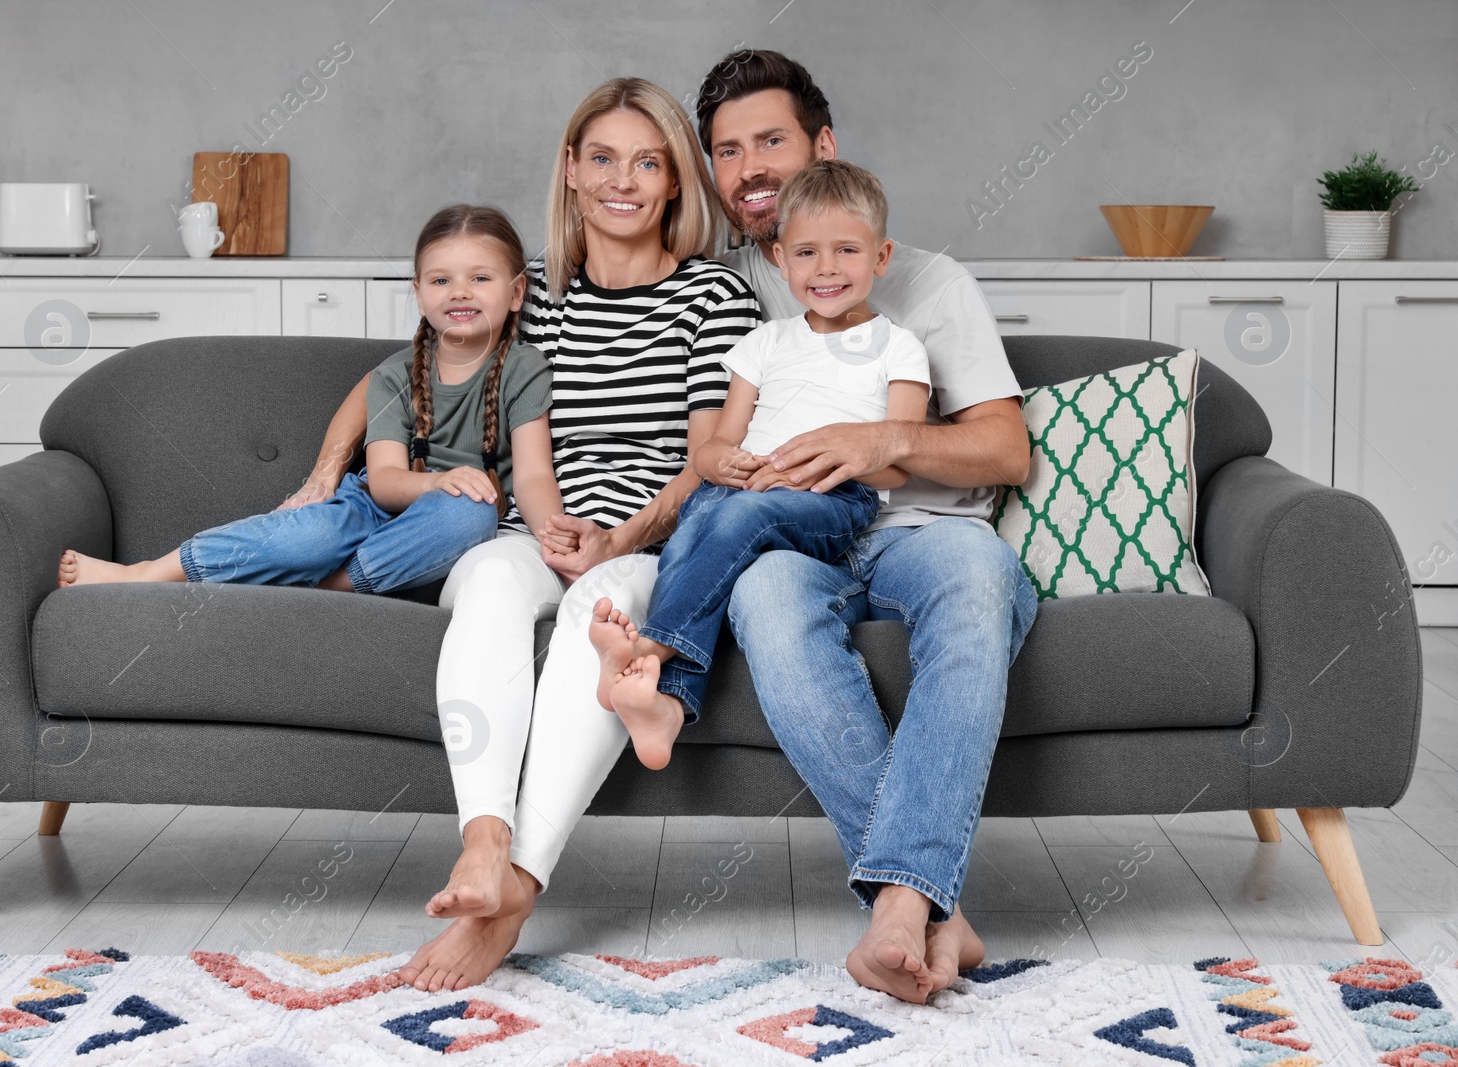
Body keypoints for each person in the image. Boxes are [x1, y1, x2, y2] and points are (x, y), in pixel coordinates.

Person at [292, 78, 761, 991]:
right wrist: (324, 468)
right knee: (498, 585)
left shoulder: (716, 296)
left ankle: (514, 895)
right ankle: (483, 841)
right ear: (572, 173)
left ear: (673, 184)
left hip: (647, 540)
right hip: (526, 524)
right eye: (602, 158)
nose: (622, 180)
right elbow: (402, 374)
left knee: (598, 613)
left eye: (648, 161)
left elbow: (713, 454)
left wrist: (620, 541)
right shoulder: (525, 287)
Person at [694, 49, 1040, 1004]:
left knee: (978, 579)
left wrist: (879, 436)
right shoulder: (718, 293)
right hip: (795, 540)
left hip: (924, 532)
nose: (751, 168)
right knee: (760, 594)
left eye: (771, 140)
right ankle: (929, 906)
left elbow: (1007, 452)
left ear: (823, 145)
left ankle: (898, 907)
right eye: (728, 151)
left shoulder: (926, 282)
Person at [589, 159, 930, 772]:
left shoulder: (900, 347)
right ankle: (667, 705)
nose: (825, 268)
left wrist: (815, 464)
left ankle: (651, 643)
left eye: (846, 250)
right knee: (698, 520)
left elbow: (896, 466)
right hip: (746, 492)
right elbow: (713, 447)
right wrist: (730, 464)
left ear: (881, 257)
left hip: (834, 500)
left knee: (737, 517)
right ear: (779, 258)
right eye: (805, 253)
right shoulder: (765, 342)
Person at [55, 205, 558, 598]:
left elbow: (533, 475)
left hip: (439, 530)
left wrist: (555, 536)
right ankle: (149, 572)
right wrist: (438, 480)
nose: (459, 292)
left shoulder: (523, 369)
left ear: (516, 293)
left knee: (472, 514)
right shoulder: (395, 375)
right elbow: (383, 483)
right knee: (311, 536)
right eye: (441, 280)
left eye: (480, 278)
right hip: (374, 511)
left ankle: (330, 585)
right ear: (419, 293)